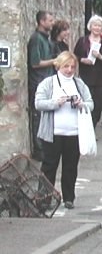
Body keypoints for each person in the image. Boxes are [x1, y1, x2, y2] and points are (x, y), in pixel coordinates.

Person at [35, 51, 94, 209]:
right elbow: (38, 103)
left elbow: (90, 103)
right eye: (66, 66)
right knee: (49, 167)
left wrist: (81, 104)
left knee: (70, 167)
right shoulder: (48, 83)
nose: (69, 70)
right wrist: (56, 103)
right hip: (52, 133)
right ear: (58, 66)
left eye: (72, 67)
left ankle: (69, 198)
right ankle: (44, 199)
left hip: (73, 133)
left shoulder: (79, 83)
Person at [73, 15, 102, 128]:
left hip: (100, 79)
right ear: (90, 26)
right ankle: (87, 128)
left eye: (99, 26)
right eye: (95, 25)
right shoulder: (83, 41)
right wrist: (82, 60)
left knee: (97, 105)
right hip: (85, 76)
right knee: (86, 103)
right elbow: (75, 55)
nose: (97, 28)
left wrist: (101, 57)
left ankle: (93, 126)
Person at [28, 10, 56, 161]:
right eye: (50, 20)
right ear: (41, 22)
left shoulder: (46, 39)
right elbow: (35, 63)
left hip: (46, 81)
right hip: (38, 82)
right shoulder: (36, 39)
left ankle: (46, 148)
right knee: (38, 116)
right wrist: (54, 61)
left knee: (46, 116)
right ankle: (40, 151)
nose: (52, 23)